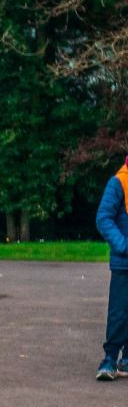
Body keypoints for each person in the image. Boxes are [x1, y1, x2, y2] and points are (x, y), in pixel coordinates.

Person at [94, 153, 128, 381]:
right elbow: (103, 218)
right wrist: (123, 246)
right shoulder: (119, 182)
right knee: (119, 313)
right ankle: (109, 359)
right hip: (124, 263)